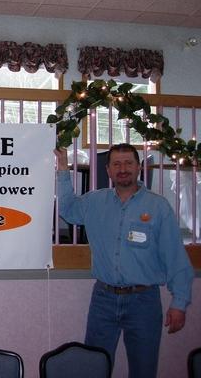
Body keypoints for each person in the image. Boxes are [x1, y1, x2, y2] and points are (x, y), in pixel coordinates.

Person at [54, 144, 193, 378]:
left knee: (144, 370)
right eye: (116, 164)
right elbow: (67, 210)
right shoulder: (95, 202)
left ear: (138, 167)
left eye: (128, 163)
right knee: (94, 367)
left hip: (144, 302)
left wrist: (179, 302)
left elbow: (175, 257)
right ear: (108, 170)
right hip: (103, 299)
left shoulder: (158, 207)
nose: (123, 169)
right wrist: (63, 168)